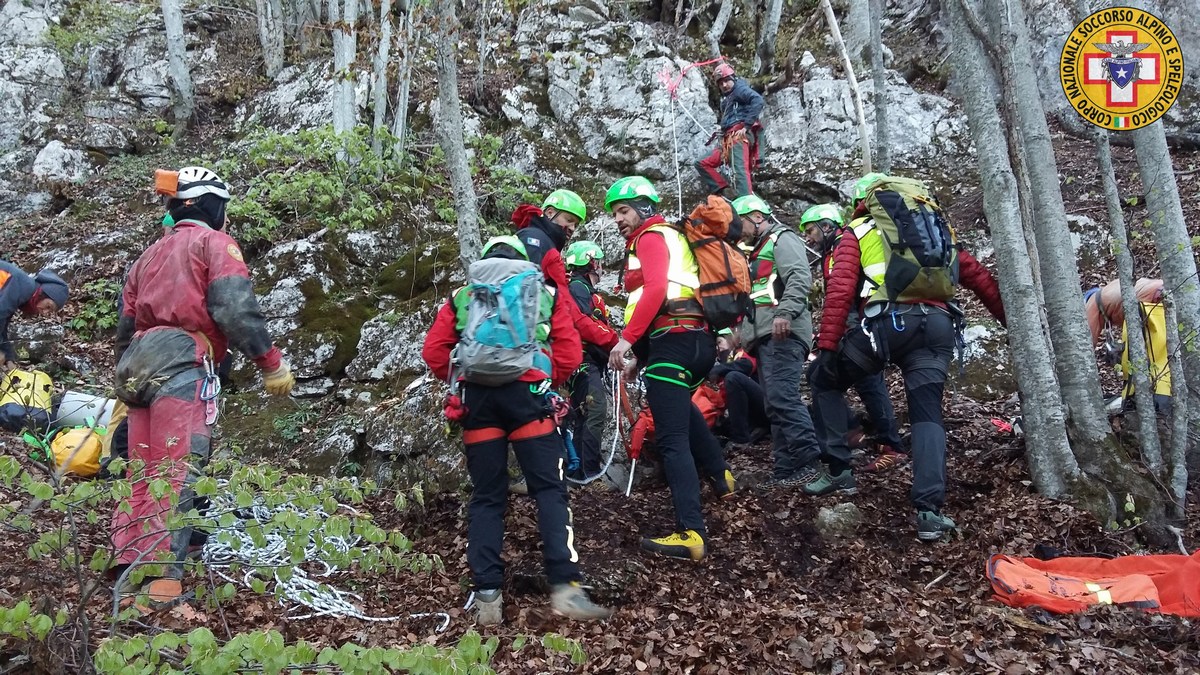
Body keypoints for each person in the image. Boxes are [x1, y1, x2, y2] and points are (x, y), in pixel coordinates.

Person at [111, 166, 296, 610]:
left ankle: (126, 571)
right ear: (213, 205)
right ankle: (162, 588)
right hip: (182, 367)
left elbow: (124, 328)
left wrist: (123, 385)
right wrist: (270, 363)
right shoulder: (214, 244)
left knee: (139, 473)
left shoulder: (148, 256)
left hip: (136, 371)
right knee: (175, 474)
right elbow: (234, 308)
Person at [421, 235, 611, 624]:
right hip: (529, 399)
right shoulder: (544, 292)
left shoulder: (464, 294)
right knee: (549, 491)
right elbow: (571, 353)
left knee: (487, 497)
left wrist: (463, 381)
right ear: (525, 261)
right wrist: (544, 379)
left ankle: (488, 596)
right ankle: (566, 589)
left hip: (479, 403)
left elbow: (434, 352)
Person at [807, 174, 1006, 541]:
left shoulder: (859, 230)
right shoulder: (934, 228)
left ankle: (838, 469)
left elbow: (840, 289)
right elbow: (977, 274)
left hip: (887, 327)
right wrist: (1009, 322)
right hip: (939, 328)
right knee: (927, 414)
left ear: (861, 201)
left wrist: (828, 347)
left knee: (823, 379)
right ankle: (929, 512)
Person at [606, 176, 734, 562]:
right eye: (615, 214)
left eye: (623, 210)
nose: (618, 220)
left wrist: (626, 341)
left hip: (674, 343)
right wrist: (640, 361)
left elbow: (658, 290)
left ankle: (691, 532)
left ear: (644, 208)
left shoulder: (650, 236)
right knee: (682, 411)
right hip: (695, 343)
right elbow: (676, 297)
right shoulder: (675, 237)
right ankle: (721, 475)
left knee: (671, 439)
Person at [801, 201, 908, 472]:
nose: (808, 237)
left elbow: (846, 293)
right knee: (821, 375)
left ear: (827, 226)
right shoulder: (835, 250)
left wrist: (840, 333)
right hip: (855, 326)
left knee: (866, 383)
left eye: (811, 230)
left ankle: (889, 445)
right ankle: (853, 432)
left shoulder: (843, 247)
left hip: (859, 328)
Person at [733, 194, 824, 489]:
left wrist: (784, 313)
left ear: (757, 217)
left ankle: (809, 463)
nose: (738, 230)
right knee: (774, 403)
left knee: (783, 397)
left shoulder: (782, 239)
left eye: (740, 223)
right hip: (766, 336)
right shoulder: (756, 249)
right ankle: (785, 470)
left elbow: (799, 276)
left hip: (784, 332)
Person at [563, 240, 615, 479]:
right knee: (595, 409)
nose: (601, 267)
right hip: (583, 361)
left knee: (585, 413)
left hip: (584, 362)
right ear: (590, 262)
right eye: (598, 262)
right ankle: (590, 472)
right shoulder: (578, 288)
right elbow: (583, 324)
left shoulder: (583, 290)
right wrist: (615, 342)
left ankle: (582, 471)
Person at [1083, 278, 1170, 414]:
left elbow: (1085, 349)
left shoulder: (1093, 303)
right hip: (1165, 289)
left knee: (1155, 358)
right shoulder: (1112, 290)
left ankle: (1153, 401)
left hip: (1153, 299)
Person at [695, 63, 764, 198]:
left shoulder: (740, 89)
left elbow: (757, 100)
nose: (724, 85)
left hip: (738, 137)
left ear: (733, 78)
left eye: (727, 80)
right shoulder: (728, 99)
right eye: (721, 83)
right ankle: (724, 189)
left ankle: (747, 204)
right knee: (701, 163)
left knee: (740, 170)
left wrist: (746, 126)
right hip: (728, 141)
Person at [708, 328, 768, 453]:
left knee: (733, 378)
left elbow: (746, 365)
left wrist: (718, 369)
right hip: (751, 411)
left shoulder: (744, 351)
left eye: (719, 343)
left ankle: (740, 439)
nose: (718, 348)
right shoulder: (729, 359)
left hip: (766, 403)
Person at [0, 262, 68, 369]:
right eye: (48, 306)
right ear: (42, 294)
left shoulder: (22, 291)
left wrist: (9, 358)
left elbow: (2, 326)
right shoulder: (23, 286)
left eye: (49, 312)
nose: (45, 312)